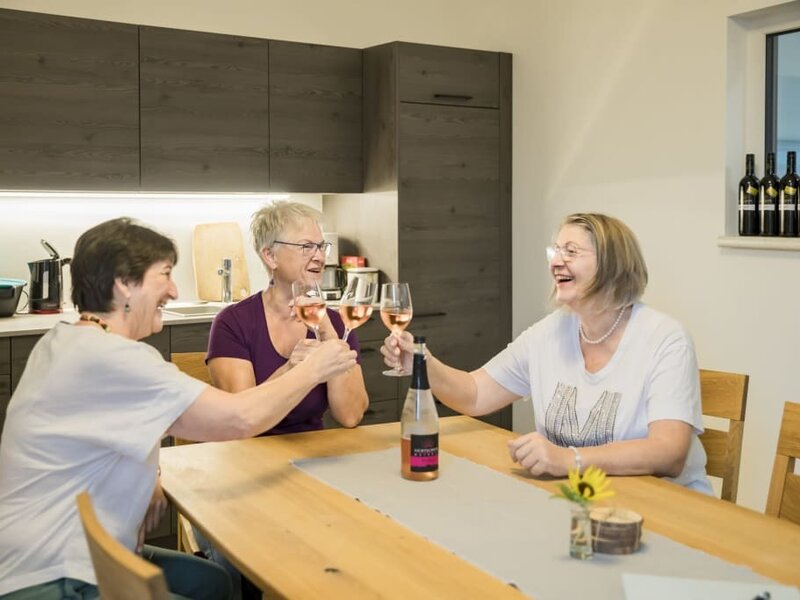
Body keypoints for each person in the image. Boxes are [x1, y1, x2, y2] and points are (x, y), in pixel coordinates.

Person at [0, 218, 356, 600]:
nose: (173, 290)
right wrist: (312, 369)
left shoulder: (67, 340)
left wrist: (149, 473)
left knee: (213, 583)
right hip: (53, 574)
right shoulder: (114, 358)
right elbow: (239, 419)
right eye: (166, 274)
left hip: (72, 549)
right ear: (124, 283)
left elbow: (107, 431)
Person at [382, 213, 712, 493]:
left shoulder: (665, 339)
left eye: (571, 251)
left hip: (668, 509)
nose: (556, 262)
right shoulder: (549, 333)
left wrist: (569, 460)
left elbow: (669, 453)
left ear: (612, 263)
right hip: (580, 500)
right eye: (555, 251)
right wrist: (421, 362)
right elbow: (476, 394)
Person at [206, 201, 369, 433]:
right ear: (270, 256)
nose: (320, 257)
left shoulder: (335, 322)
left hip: (313, 449)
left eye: (321, 247)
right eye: (307, 247)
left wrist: (329, 335)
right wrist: (291, 369)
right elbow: (241, 420)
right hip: (251, 450)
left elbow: (351, 416)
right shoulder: (233, 322)